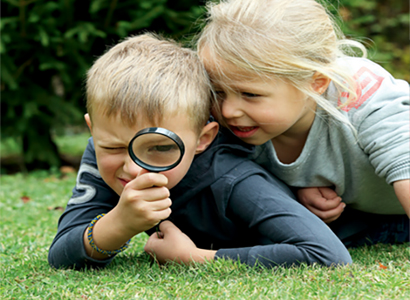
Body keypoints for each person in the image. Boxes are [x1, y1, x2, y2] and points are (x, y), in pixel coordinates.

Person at [48, 33, 352, 270]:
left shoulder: (231, 178)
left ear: (203, 138)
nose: (134, 169)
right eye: (112, 146)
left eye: (161, 148)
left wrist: (195, 258)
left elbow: (327, 254)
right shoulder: (104, 156)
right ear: (93, 131)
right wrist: (118, 224)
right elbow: (61, 254)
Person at [195, 0, 409, 247]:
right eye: (218, 92)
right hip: (366, 219)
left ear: (316, 83)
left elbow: (405, 163)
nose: (228, 111)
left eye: (250, 95)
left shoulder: (366, 99)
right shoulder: (239, 121)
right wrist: (294, 189)